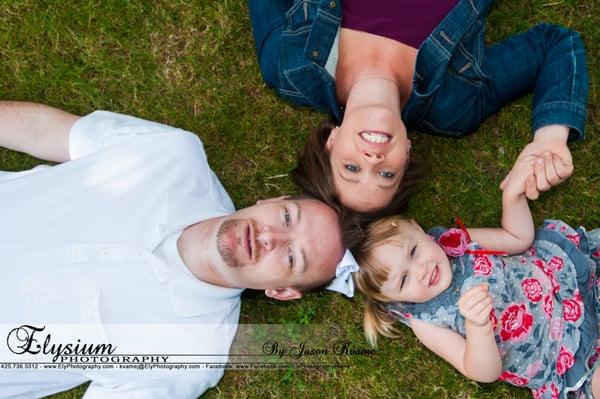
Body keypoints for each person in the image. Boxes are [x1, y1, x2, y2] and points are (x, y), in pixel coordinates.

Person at [0, 101, 347, 398]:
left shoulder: (192, 354)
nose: (271, 237)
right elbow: (40, 130)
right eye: (286, 217)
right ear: (272, 200)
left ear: (281, 291)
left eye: (290, 257)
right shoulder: (174, 155)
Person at [248, 0, 589, 218]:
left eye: (351, 167)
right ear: (406, 155)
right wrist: (549, 138)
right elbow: (556, 45)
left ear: (331, 143)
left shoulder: (290, 66)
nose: (372, 160)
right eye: (386, 175)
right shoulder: (454, 105)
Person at [353, 153, 600, 398]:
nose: (421, 269)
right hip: (558, 357)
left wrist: (512, 197)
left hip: (570, 287)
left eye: (414, 251)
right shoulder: (426, 322)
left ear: (420, 230)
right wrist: (478, 327)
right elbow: (483, 372)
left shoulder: (456, 244)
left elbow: (517, 239)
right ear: (393, 300)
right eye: (404, 280)